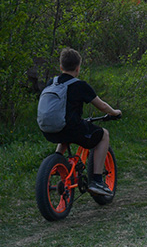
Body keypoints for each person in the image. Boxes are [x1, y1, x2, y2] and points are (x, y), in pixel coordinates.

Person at [41, 48, 121, 196]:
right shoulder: (80, 85)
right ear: (78, 69)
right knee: (103, 135)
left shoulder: (52, 82)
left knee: (65, 134)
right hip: (72, 129)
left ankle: (58, 164)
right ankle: (97, 180)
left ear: (61, 67)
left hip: (49, 130)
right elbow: (102, 105)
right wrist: (115, 112)